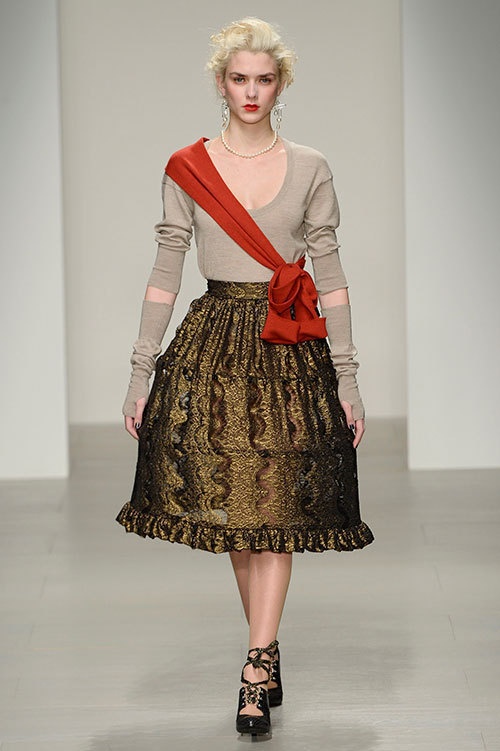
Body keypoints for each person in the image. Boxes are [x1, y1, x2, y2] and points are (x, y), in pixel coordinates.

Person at [116, 17, 374, 737]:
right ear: (221, 83)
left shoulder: (311, 166)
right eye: (239, 79)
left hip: (288, 349)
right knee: (238, 513)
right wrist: (140, 370)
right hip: (215, 349)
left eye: (264, 79)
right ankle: (267, 642)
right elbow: (166, 270)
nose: (251, 92)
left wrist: (348, 378)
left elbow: (332, 277)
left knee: (277, 513)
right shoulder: (188, 166)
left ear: (280, 83)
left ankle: (256, 665)